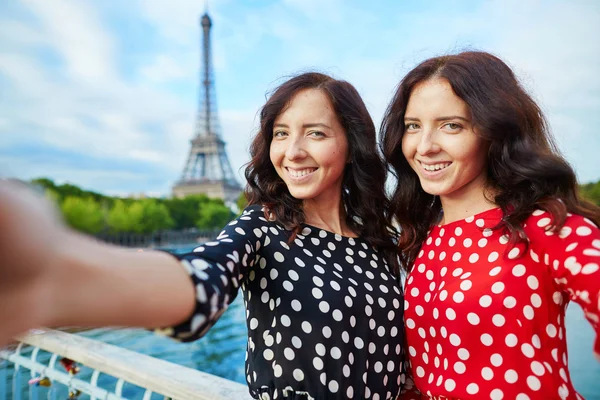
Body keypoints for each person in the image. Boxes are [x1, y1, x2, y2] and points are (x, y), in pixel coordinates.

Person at [0, 72, 409, 399]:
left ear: (351, 145)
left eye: (315, 133)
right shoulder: (262, 227)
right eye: (281, 133)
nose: (293, 151)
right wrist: (56, 280)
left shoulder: (379, 242)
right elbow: (202, 275)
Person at [380, 51, 600, 399]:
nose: (424, 147)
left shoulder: (544, 226)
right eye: (413, 126)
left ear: (494, 131)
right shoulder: (421, 239)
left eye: (451, 125)